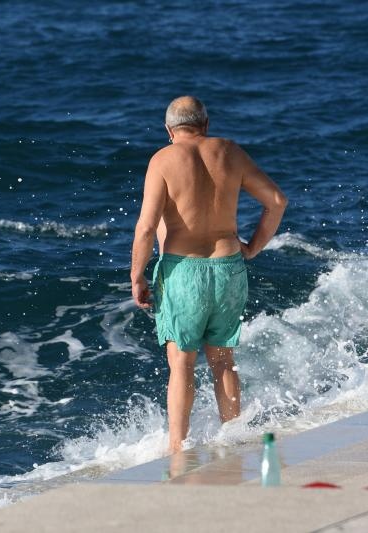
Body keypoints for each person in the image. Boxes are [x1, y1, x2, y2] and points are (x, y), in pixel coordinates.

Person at [130, 96, 287, 454]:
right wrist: (253, 247)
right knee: (223, 362)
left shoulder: (163, 160)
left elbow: (146, 227)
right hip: (229, 268)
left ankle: (177, 448)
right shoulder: (229, 151)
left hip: (184, 271)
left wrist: (137, 276)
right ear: (206, 124)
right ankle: (233, 436)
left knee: (182, 363)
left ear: (169, 130)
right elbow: (277, 201)